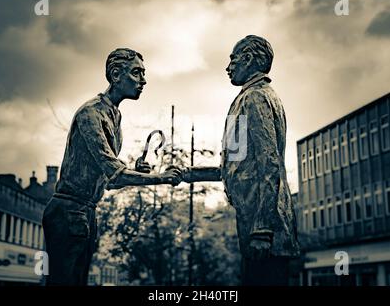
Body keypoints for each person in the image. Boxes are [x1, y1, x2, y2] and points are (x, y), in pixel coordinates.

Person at [42, 48, 182, 285]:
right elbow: (115, 171)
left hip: (86, 212)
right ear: (116, 74)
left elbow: (111, 180)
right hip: (68, 213)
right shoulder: (91, 113)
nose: (143, 80)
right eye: (137, 73)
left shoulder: (114, 115)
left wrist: (137, 172)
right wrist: (162, 177)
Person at [182, 35, 300, 285]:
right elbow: (235, 166)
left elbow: (269, 164)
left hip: (267, 233)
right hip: (255, 228)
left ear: (248, 59)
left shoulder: (255, 97)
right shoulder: (250, 97)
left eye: (233, 59)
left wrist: (262, 230)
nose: (229, 67)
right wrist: (187, 173)